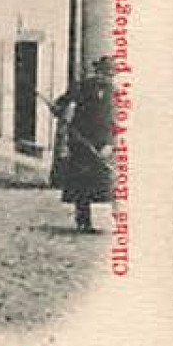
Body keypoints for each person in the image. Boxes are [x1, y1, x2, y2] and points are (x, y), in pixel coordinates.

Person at [52, 57, 117, 233]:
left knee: (115, 183)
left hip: (106, 143)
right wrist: (58, 109)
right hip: (81, 141)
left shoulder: (118, 93)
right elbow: (61, 102)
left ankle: (121, 222)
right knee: (82, 183)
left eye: (110, 74)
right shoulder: (82, 87)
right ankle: (83, 221)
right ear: (97, 72)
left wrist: (110, 144)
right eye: (104, 73)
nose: (106, 78)